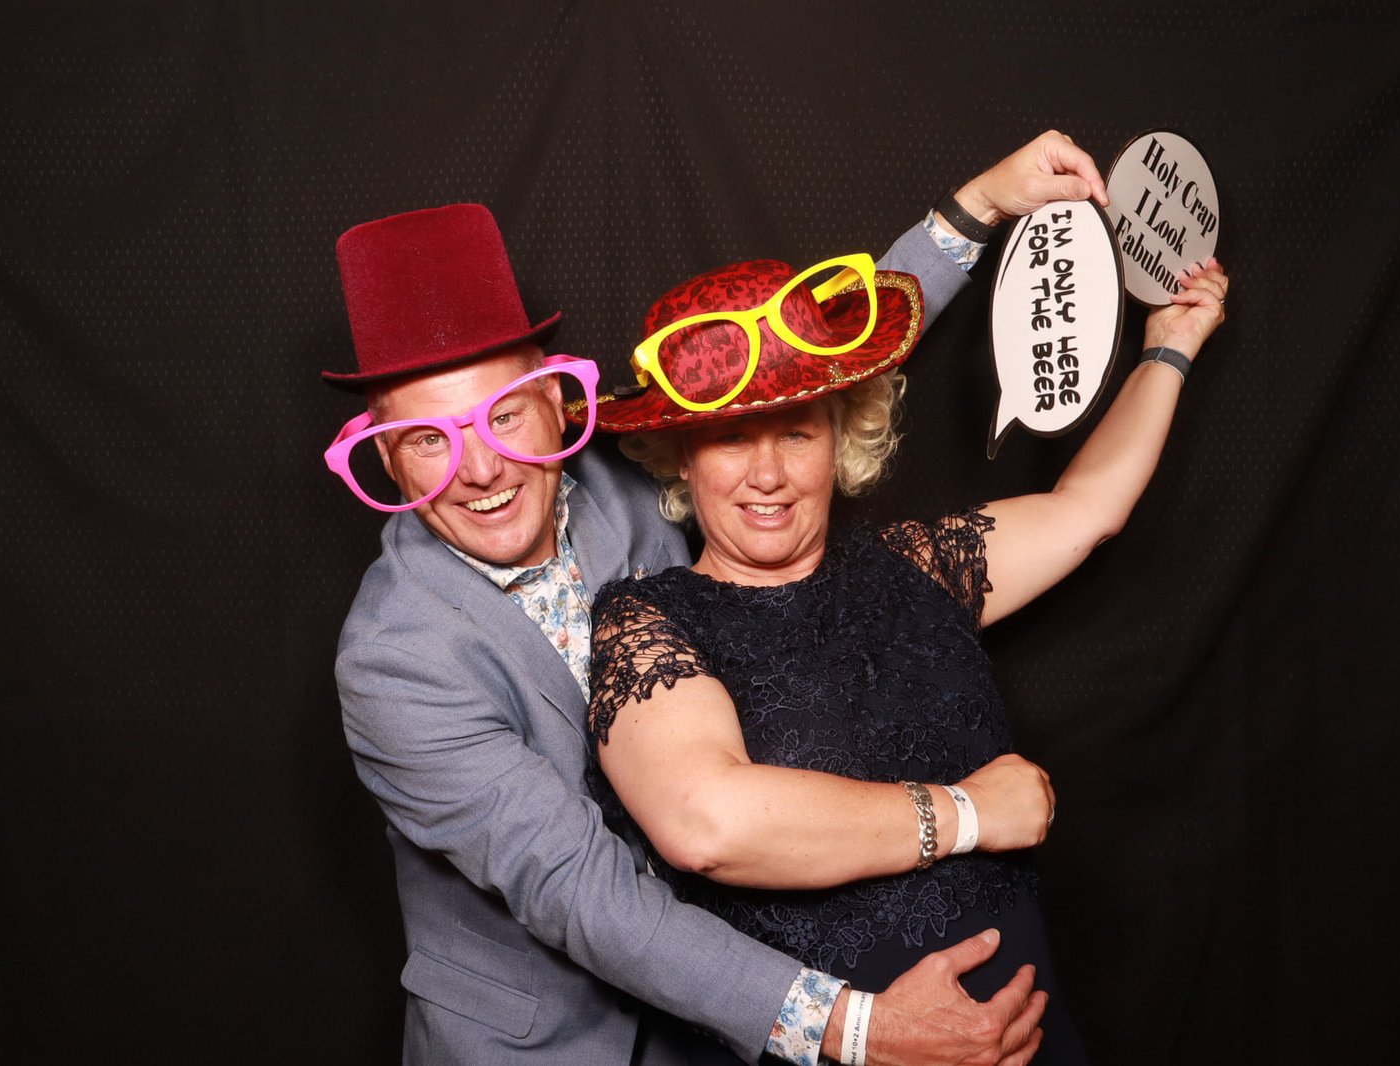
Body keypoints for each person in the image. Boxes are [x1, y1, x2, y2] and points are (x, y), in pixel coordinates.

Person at [322, 132, 1109, 1066]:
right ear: (384, 455)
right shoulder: (393, 662)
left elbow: (801, 362)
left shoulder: (624, 477)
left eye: (503, 416)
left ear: (556, 402)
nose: (481, 469)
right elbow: (581, 888)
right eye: (428, 440)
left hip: (723, 1006)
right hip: (549, 1043)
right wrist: (855, 1027)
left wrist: (978, 208)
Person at [576, 208, 1228, 1061]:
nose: (767, 473)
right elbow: (708, 825)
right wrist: (970, 814)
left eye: (797, 431)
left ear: (839, 438)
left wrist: (1168, 348)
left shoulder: (916, 565)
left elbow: (1087, 510)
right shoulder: (646, 621)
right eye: (732, 438)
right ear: (682, 457)